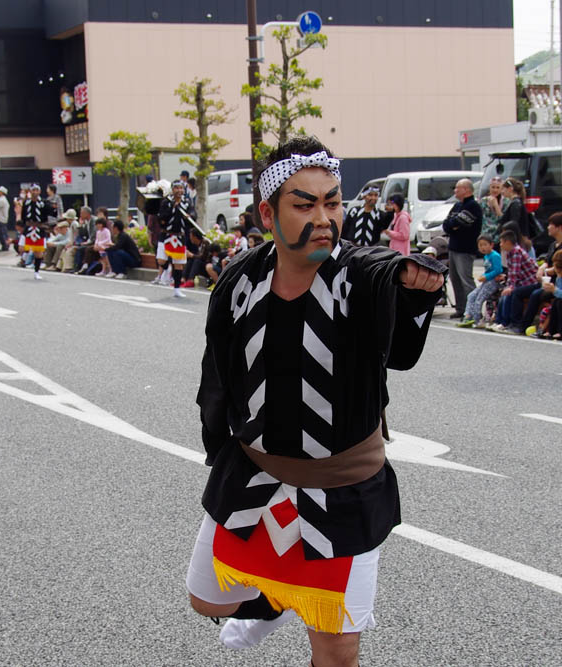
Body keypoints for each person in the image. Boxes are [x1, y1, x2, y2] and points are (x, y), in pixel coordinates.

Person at [189, 136, 446, 666]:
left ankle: (295, 599)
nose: (324, 217)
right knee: (207, 599)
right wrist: (217, 448)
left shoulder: (357, 275)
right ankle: (279, 597)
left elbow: (389, 308)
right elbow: (217, 375)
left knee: (336, 651)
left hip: (341, 489)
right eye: (304, 204)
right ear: (268, 212)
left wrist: (413, 287)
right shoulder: (239, 283)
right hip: (254, 476)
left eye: (333, 201)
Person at [441, 178, 482, 319]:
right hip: (453, 247)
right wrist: (453, 225)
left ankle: (473, 310)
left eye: (458, 188)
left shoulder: (473, 206)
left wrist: (454, 225)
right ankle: (461, 308)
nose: (455, 191)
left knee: (466, 280)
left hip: (465, 248)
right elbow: (447, 224)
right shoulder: (458, 206)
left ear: (466, 190)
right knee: (455, 279)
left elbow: (462, 223)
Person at [491, 229, 540, 334]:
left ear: (508, 242)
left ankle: (513, 323)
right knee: (504, 293)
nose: (500, 245)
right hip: (522, 281)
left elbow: (515, 272)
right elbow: (512, 273)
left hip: (532, 282)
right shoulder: (510, 252)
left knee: (513, 293)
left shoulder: (517, 252)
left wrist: (510, 287)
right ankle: (500, 321)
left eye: (502, 242)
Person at [157, 180, 195, 297]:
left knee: (179, 264)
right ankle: (167, 268)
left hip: (180, 236)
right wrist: (172, 208)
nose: (179, 190)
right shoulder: (166, 202)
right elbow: (161, 218)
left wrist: (190, 216)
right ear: (172, 190)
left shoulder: (187, 202)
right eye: (176, 188)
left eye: (181, 188)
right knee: (161, 260)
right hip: (166, 235)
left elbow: (193, 216)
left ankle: (177, 289)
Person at [458, 234, 503, 328]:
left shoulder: (495, 256)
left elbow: (498, 270)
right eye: (480, 245)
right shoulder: (486, 256)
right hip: (486, 281)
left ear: (491, 245)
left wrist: (486, 276)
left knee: (479, 298)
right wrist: (483, 276)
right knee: (471, 295)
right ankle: (468, 315)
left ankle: (477, 319)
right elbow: (489, 270)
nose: (483, 247)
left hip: (493, 282)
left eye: (485, 244)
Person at [21, 183, 54, 280]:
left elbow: (51, 213)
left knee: (38, 252)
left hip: (39, 228)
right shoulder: (26, 202)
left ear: (39, 191)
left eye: (37, 190)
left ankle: (36, 271)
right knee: (21, 248)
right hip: (28, 228)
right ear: (30, 192)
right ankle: (24, 259)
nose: (35, 192)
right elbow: (23, 216)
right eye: (33, 190)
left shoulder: (44, 203)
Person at [497, 178, 532, 253]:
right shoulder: (516, 202)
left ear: (510, 189)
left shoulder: (515, 203)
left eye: (503, 189)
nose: (502, 192)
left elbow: (514, 222)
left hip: (516, 239)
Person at [479, 176, 503, 242]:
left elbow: (503, 219)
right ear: (489, 188)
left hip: (499, 236)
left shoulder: (505, 201)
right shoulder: (483, 201)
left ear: (501, 189)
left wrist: (496, 205)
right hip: (486, 236)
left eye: (498, 187)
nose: (495, 190)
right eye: (493, 187)